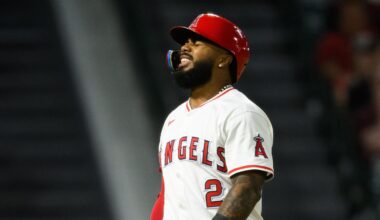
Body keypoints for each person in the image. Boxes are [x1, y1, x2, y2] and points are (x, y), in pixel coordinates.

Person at [151, 13, 274, 220]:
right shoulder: (174, 119)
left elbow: (248, 187)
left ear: (224, 59)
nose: (185, 48)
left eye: (196, 42)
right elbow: (166, 195)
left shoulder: (241, 112)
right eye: (185, 43)